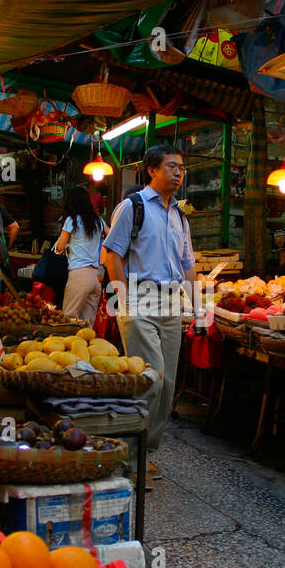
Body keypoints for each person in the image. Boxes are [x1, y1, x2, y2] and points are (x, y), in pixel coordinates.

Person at [101, 144, 199, 466]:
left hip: (171, 301)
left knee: (167, 384)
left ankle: (146, 452)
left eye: (182, 168)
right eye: (172, 166)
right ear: (152, 170)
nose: (178, 172)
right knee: (150, 378)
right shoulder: (133, 206)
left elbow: (187, 265)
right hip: (139, 298)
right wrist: (122, 301)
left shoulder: (179, 216)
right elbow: (112, 255)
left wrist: (198, 306)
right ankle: (129, 455)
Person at [54, 184, 106, 324]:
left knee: (69, 320)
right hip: (96, 277)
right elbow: (112, 236)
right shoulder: (98, 221)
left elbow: (59, 246)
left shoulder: (72, 220)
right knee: (87, 325)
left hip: (79, 274)